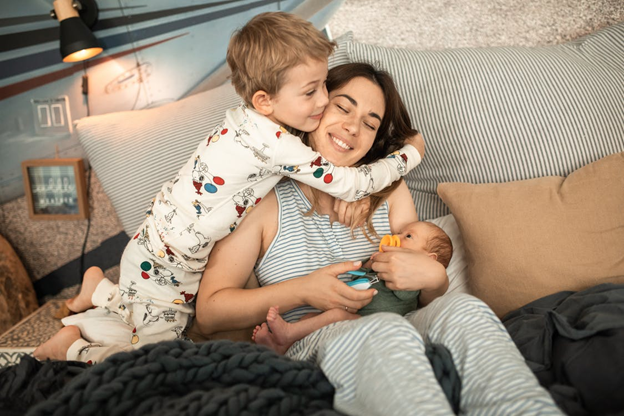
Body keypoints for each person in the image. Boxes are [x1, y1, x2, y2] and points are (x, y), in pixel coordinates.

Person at [33, 12, 423, 363]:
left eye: (324, 86)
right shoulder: (275, 145)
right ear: (264, 100)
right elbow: (348, 184)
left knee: (150, 313)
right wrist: (409, 154)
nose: (322, 101)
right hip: (171, 256)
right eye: (313, 93)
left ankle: (99, 290)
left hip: (164, 242)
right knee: (157, 354)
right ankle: (70, 347)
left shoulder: (244, 120)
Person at [194, 63, 563, 415]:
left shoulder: (389, 191)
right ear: (312, 107)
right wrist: (304, 290)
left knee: (465, 309)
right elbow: (210, 313)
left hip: (403, 327)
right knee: (380, 330)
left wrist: (435, 280)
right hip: (314, 342)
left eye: (370, 125)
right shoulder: (261, 202)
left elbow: (413, 294)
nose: (353, 128)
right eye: (342, 107)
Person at [252, 220, 453, 354]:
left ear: (429, 260)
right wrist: (370, 263)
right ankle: (283, 345)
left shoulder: (412, 283)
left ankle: (288, 333)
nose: (397, 236)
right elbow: (365, 274)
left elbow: (404, 295)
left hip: (372, 325)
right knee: (310, 318)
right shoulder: (383, 260)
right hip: (353, 315)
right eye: (399, 232)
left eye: (408, 237)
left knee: (335, 316)